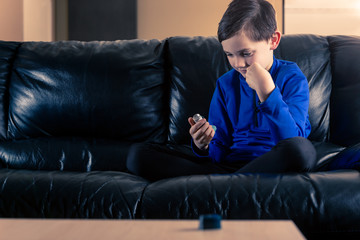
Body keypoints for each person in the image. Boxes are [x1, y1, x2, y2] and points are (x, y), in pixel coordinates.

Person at [127, 0, 316, 181]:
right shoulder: (226, 84)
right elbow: (219, 152)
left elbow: (291, 139)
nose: (238, 64)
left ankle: (225, 186)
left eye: (246, 53)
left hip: (273, 164)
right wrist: (204, 145)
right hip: (229, 167)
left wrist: (267, 92)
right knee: (138, 155)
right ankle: (233, 185)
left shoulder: (291, 77)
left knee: (301, 150)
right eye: (229, 55)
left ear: (273, 40)